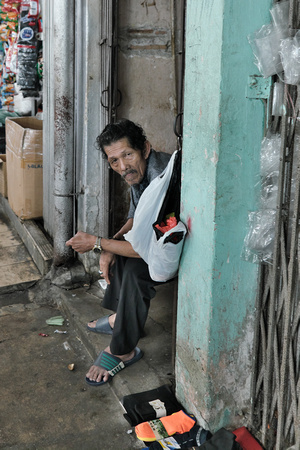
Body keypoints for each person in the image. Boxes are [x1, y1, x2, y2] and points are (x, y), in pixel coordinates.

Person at [66, 119, 171, 386]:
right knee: (118, 251)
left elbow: (147, 247)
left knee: (135, 272)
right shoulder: (140, 173)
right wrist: (110, 244)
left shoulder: (164, 181)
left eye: (128, 155)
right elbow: (135, 219)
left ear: (145, 149)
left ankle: (123, 348)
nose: (122, 166)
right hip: (159, 241)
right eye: (114, 160)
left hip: (187, 248)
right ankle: (119, 318)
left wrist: (98, 243)